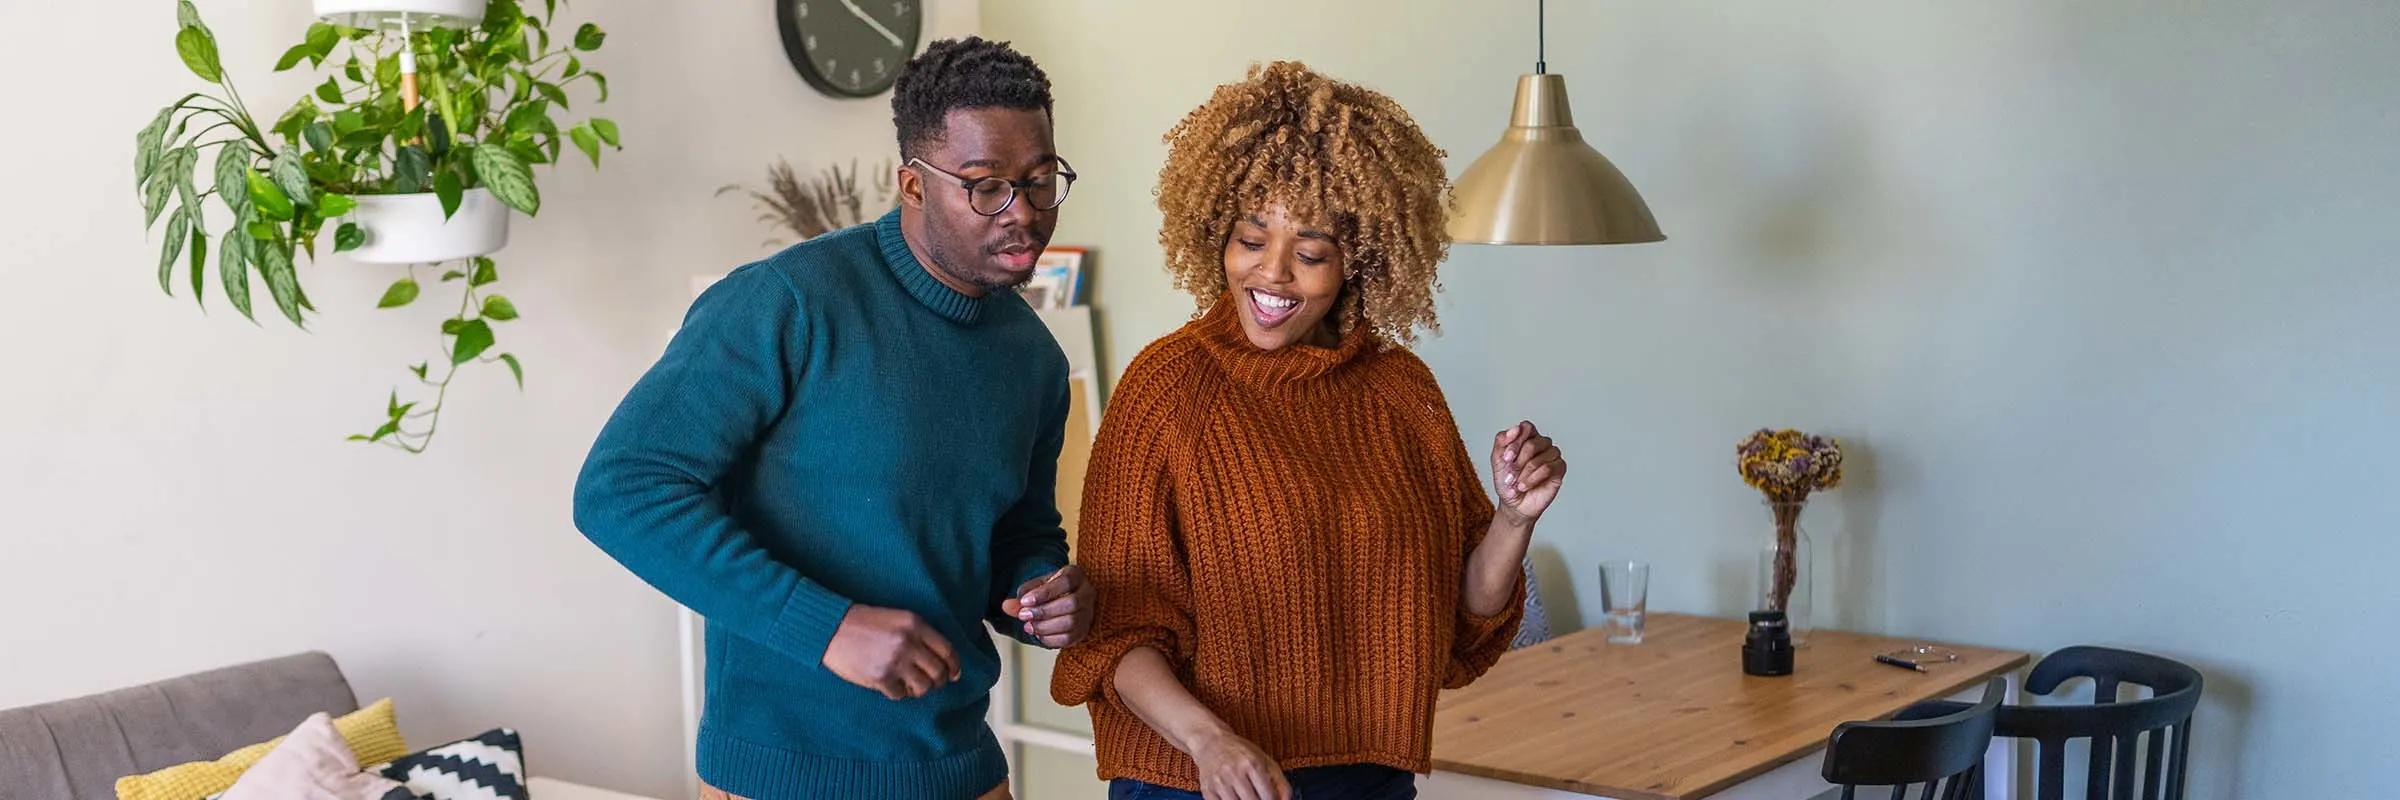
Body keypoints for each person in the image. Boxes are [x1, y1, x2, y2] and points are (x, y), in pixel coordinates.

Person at [572, 37, 1095, 800]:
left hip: (960, 768)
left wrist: (1041, 592)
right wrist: (826, 626)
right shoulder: (786, 302)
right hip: (783, 775)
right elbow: (621, 489)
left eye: (1041, 181)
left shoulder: (1035, 360)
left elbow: (1016, 533)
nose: (1023, 213)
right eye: (986, 187)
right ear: (912, 185)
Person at [1051, 62, 1571, 800]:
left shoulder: (1401, 393)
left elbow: (1460, 621)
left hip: (1369, 780)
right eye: (1251, 239)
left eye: (1311, 252)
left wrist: (1514, 517)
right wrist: (1213, 743)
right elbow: (1117, 634)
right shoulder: (1166, 390)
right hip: (1197, 780)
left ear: (1357, 257)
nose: (1272, 274)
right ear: (1216, 236)